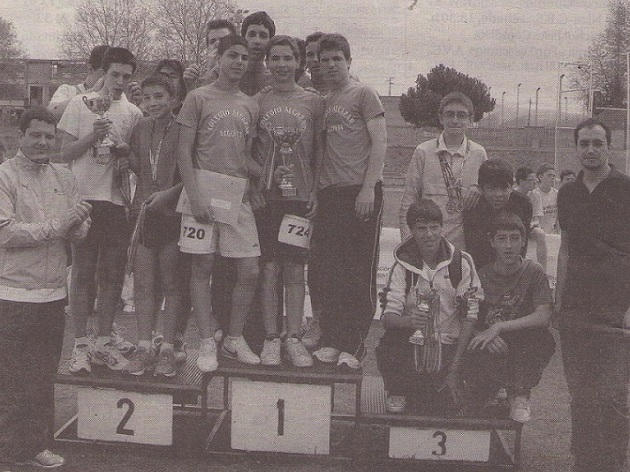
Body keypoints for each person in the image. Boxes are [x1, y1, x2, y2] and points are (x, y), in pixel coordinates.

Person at [0, 107, 91, 468]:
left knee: (41, 378)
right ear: (19, 136)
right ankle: (7, 453)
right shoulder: (4, 176)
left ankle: (36, 446)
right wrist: (60, 224)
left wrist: (80, 225)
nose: (42, 142)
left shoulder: (64, 176)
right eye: (35, 135)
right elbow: (5, 232)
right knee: (10, 379)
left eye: (49, 136)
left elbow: (75, 231)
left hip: (53, 293)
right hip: (11, 293)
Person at [177, 34, 262, 372]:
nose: (239, 62)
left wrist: (266, 177)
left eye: (244, 57)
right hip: (203, 188)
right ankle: (205, 340)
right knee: (202, 268)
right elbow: (183, 150)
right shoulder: (198, 97)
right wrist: (195, 196)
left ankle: (234, 337)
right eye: (232, 55)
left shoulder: (250, 104)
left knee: (250, 269)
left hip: (236, 193)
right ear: (218, 57)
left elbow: (245, 155)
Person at [59, 47, 143, 373]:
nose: (119, 82)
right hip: (84, 199)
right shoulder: (80, 105)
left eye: (126, 76)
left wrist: (124, 152)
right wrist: (91, 136)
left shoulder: (133, 113)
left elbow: (135, 162)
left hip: (116, 200)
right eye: (114, 75)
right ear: (102, 73)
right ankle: (80, 346)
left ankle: (104, 342)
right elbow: (65, 152)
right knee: (81, 273)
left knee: (111, 276)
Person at [555, 118, 630, 472]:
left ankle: (613, 465)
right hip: (576, 310)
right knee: (581, 397)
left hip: (617, 310)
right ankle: (583, 464)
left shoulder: (626, 188)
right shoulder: (567, 192)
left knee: (614, 396)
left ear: (609, 146)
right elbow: (565, 249)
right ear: (576, 148)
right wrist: (558, 301)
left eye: (597, 143)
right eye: (583, 143)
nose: (590, 150)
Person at [310, 33, 386, 369]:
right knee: (331, 272)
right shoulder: (322, 101)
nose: (330, 65)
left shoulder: (364, 93)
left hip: (361, 193)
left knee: (359, 272)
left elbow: (380, 143)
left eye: (336, 59)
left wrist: (368, 189)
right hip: (330, 195)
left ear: (349, 61)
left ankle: (354, 346)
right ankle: (333, 339)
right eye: (324, 60)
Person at [254, 35, 325, 367]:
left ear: (299, 63)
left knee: (295, 268)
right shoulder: (257, 102)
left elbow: (320, 152)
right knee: (269, 268)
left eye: (288, 58)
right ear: (267, 62)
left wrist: (314, 191)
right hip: (267, 198)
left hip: (299, 197)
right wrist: (255, 185)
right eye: (275, 58)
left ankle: (293, 337)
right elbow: (250, 150)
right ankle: (271, 337)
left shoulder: (313, 102)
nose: (281, 65)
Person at [377, 200, 481, 414]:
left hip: (448, 347)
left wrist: (454, 370)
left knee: (443, 408)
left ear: (442, 228)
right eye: (421, 229)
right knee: (388, 344)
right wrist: (409, 321)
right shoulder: (401, 265)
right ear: (411, 231)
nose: (429, 235)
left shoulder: (461, 262)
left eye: (434, 227)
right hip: (412, 344)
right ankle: (398, 390)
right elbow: (388, 317)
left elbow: (470, 316)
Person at [466, 211, 555, 422]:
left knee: (542, 339)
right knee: (474, 347)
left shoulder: (534, 271)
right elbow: (468, 317)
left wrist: (499, 327)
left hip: (521, 339)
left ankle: (520, 395)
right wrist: (485, 334)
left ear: (523, 241)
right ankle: (492, 390)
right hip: (492, 342)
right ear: (491, 242)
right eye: (501, 239)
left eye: (515, 238)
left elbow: (543, 316)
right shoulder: (481, 275)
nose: (508, 245)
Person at [126, 74, 184, 377]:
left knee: (172, 284)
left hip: (174, 213)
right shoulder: (140, 127)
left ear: (173, 99)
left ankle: (167, 349)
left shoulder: (185, 128)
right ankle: (145, 345)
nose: (153, 103)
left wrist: (168, 195)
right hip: (146, 213)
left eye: (159, 96)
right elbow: (143, 166)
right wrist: (126, 159)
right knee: (145, 284)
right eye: (147, 97)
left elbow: (191, 172)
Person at [400, 92, 486, 249]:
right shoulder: (423, 152)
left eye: (461, 115)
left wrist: (479, 188)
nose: (455, 120)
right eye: (449, 114)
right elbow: (409, 201)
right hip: (429, 243)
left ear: (470, 120)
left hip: (464, 246)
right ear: (441, 118)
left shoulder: (479, 154)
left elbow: (489, 196)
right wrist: (407, 244)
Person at [463, 158, 532, 270]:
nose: (498, 194)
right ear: (480, 188)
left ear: (512, 186)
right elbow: (473, 249)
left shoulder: (523, 204)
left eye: (504, 188)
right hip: (481, 269)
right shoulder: (473, 206)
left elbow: (522, 246)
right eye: (492, 188)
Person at [48, 45, 109, 120]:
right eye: (104, 74)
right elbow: (51, 114)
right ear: (90, 69)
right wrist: (92, 92)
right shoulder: (68, 90)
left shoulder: (115, 98)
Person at [182, 19, 236, 91]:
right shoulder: (201, 78)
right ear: (208, 48)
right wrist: (190, 86)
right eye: (213, 41)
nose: (217, 44)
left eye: (224, 39)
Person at [514, 165, 548, 271]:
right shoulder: (512, 195)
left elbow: (537, 217)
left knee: (541, 234)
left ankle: (543, 270)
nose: (534, 183)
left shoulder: (535, 195)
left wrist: (532, 224)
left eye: (535, 180)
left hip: (529, 226)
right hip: (514, 226)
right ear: (521, 181)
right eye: (530, 180)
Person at [530, 163, 558, 234]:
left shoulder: (557, 193)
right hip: (538, 233)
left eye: (553, 176)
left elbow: (558, 218)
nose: (552, 178)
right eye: (549, 175)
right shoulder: (533, 194)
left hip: (553, 234)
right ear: (540, 176)